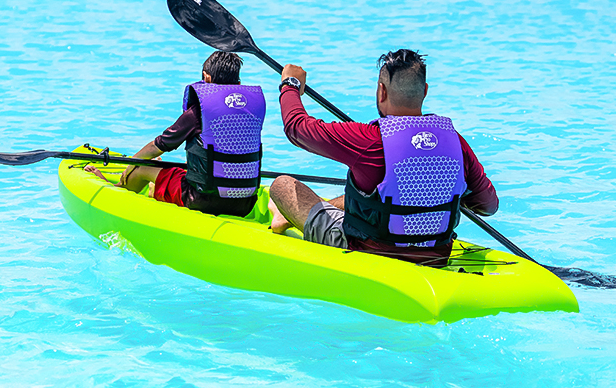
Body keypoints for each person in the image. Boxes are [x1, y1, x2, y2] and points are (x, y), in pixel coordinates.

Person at [269, 49, 498, 266]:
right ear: (425, 91)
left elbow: (297, 129)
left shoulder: (368, 139)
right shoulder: (456, 143)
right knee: (367, 193)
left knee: (282, 185)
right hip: (436, 257)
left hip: (366, 252)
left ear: (382, 91)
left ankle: (286, 217)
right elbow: (488, 206)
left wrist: (290, 84)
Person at [85, 51, 266, 217]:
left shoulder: (198, 113)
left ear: (206, 78)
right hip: (244, 203)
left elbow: (159, 145)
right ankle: (153, 190)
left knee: (144, 166)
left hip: (201, 200)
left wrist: (132, 164)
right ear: (239, 84)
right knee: (179, 170)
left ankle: (117, 189)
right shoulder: (253, 111)